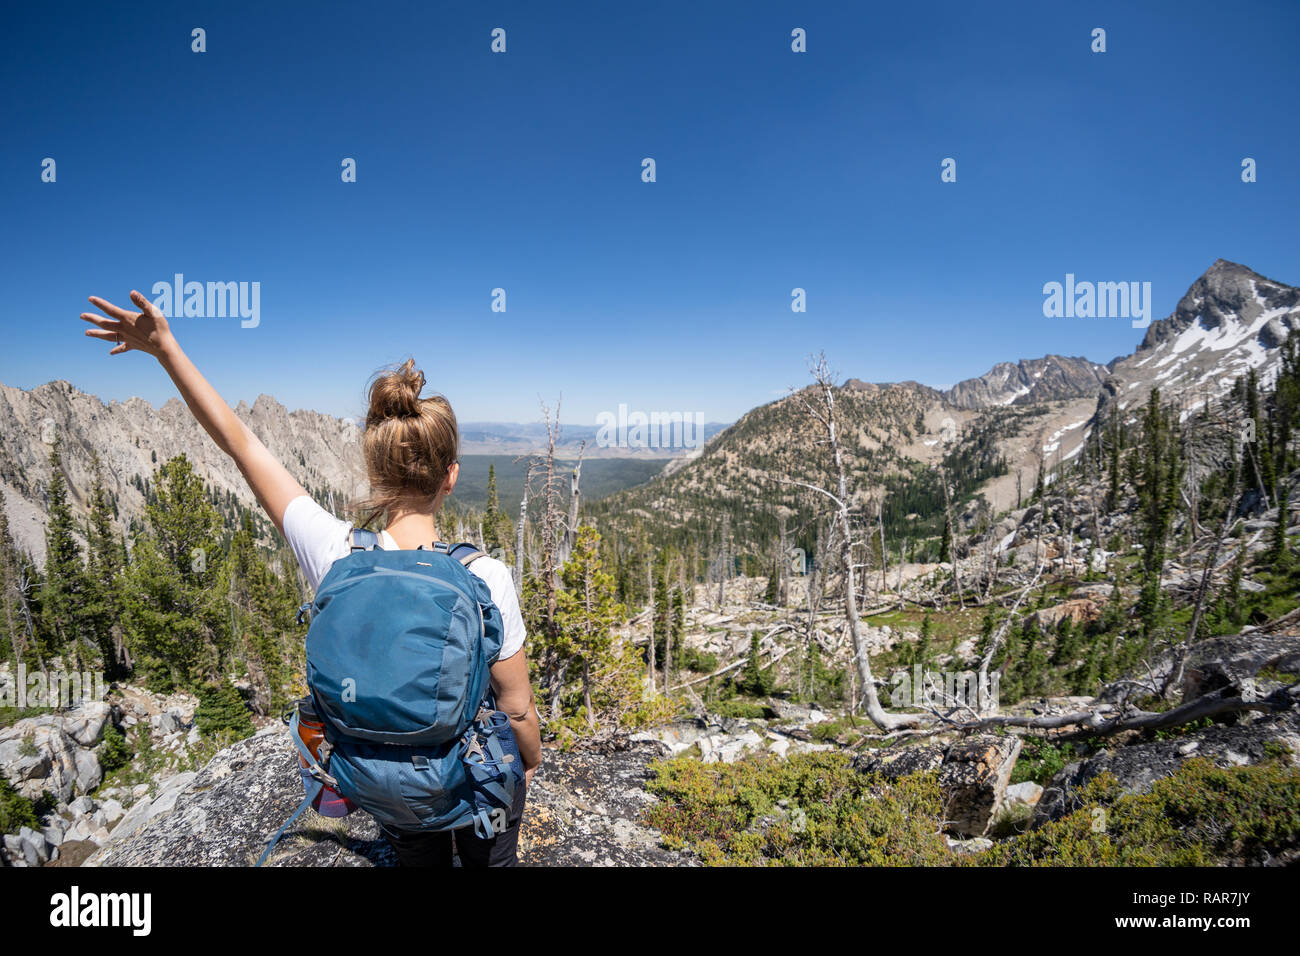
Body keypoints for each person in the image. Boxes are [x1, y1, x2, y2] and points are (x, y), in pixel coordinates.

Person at [80, 290, 543, 866]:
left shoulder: (336, 552)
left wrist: (166, 349)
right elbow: (518, 708)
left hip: (380, 786)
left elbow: (242, 447)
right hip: (467, 787)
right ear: (450, 478)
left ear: (373, 473)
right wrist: (530, 764)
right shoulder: (485, 575)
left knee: (415, 849)